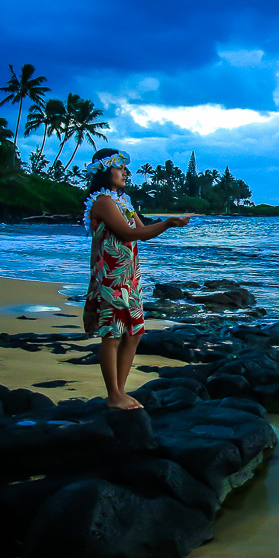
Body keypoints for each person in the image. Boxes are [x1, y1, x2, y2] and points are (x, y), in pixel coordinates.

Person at [82, 148, 189, 410]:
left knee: (134, 333)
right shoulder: (103, 202)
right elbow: (127, 234)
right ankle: (113, 395)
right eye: (119, 168)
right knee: (113, 335)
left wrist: (167, 223)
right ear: (105, 171)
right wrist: (167, 223)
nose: (125, 172)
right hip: (111, 277)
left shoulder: (122, 201)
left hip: (129, 276)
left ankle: (120, 390)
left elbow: (142, 231)